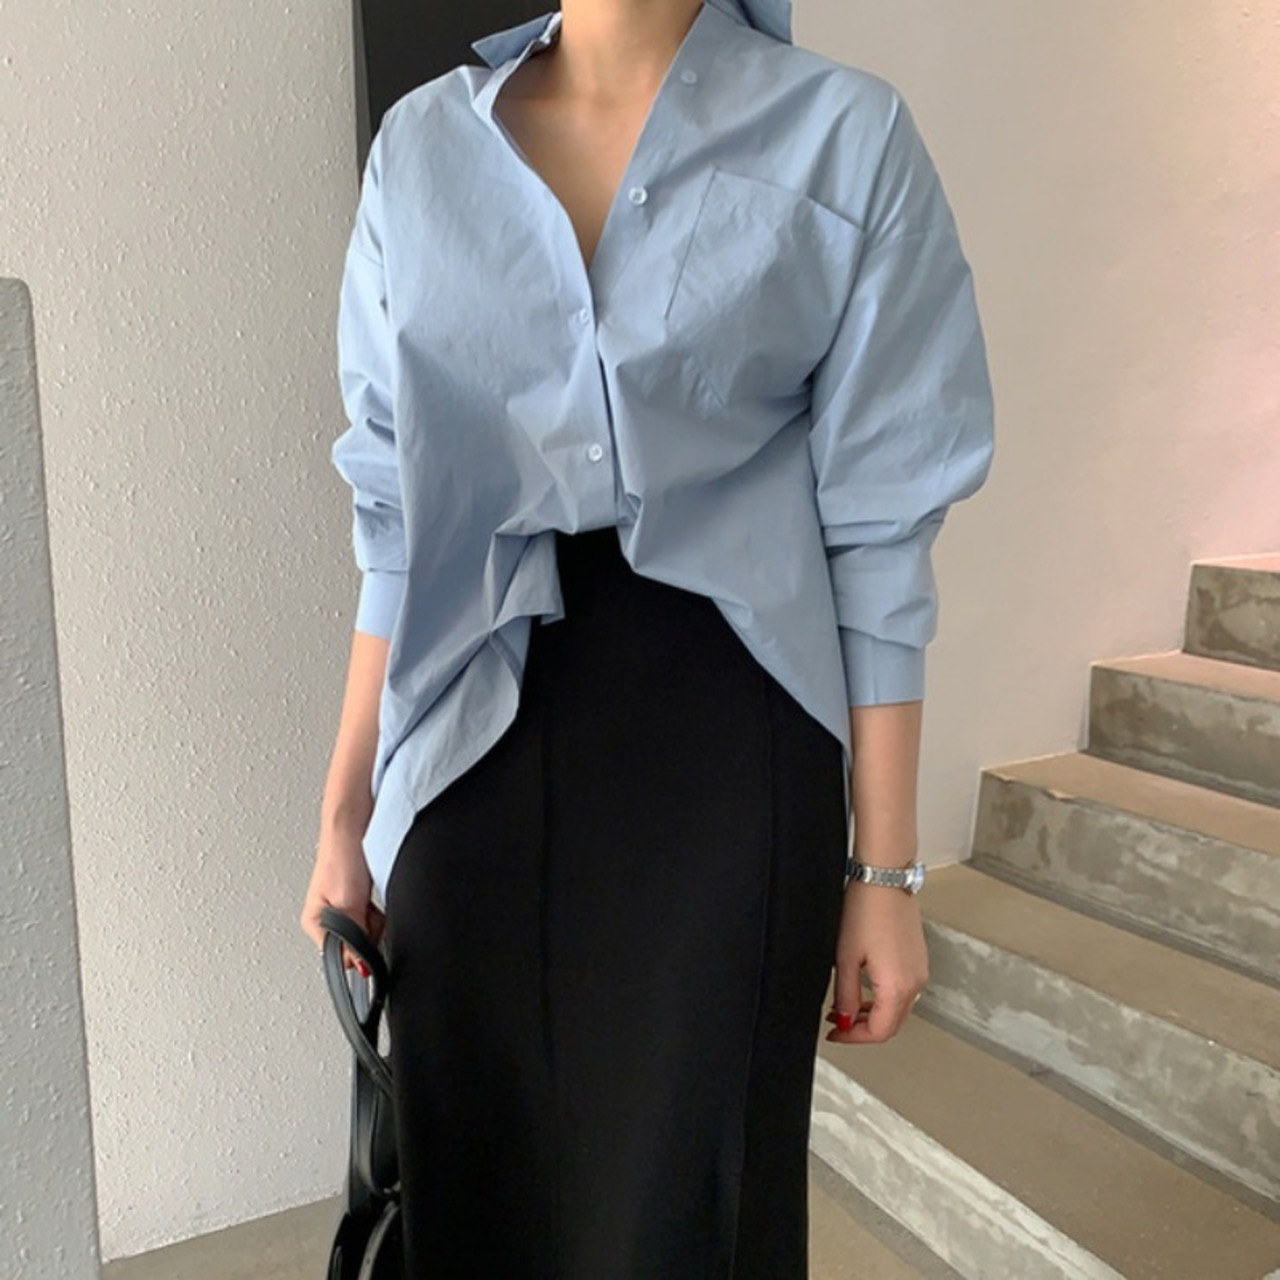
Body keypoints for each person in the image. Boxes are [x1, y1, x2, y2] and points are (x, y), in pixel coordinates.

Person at [300, 0, 995, 1274]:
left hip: (728, 745)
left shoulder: (844, 136)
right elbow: (395, 516)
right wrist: (347, 813)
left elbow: (879, 530)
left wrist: (883, 874)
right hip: (465, 743)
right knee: (475, 1186)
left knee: (692, 1210)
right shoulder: (419, 149)